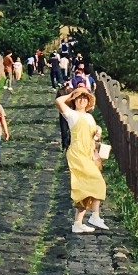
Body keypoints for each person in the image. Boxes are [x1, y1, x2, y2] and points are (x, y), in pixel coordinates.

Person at [56, 86, 108, 235]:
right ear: (75, 101)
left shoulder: (90, 117)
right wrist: (73, 93)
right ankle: (95, 216)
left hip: (89, 152)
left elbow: (93, 136)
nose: (82, 100)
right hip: (77, 153)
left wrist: (98, 133)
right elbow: (59, 101)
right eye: (79, 98)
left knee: (85, 189)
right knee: (97, 182)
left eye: (85, 98)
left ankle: (78, 223)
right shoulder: (71, 114)